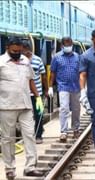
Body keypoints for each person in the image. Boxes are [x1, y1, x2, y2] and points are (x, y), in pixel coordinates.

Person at [0, 37, 44, 179]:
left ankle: (30, 167)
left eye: (19, 51)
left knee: (30, 135)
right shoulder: (1, 62)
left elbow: (30, 79)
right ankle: (10, 168)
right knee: (7, 138)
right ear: (7, 48)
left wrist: (37, 97)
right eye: (14, 51)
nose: (17, 54)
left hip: (26, 105)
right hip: (7, 106)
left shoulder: (25, 61)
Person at [49, 37, 81, 142]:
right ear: (62, 45)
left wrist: (84, 86)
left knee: (76, 109)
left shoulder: (77, 57)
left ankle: (76, 128)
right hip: (63, 86)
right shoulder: (57, 57)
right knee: (64, 108)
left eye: (70, 44)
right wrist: (50, 87)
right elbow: (52, 72)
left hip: (76, 86)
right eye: (66, 45)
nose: (68, 47)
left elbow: (82, 72)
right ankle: (64, 131)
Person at [22, 40, 48, 144]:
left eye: (25, 52)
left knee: (39, 114)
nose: (24, 54)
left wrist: (46, 89)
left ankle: (39, 135)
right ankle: (28, 136)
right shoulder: (20, 60)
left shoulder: (38, 60)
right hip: (24, 94)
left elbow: (44, 76)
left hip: (37, 94)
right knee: (25, 117)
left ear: (29, 50)